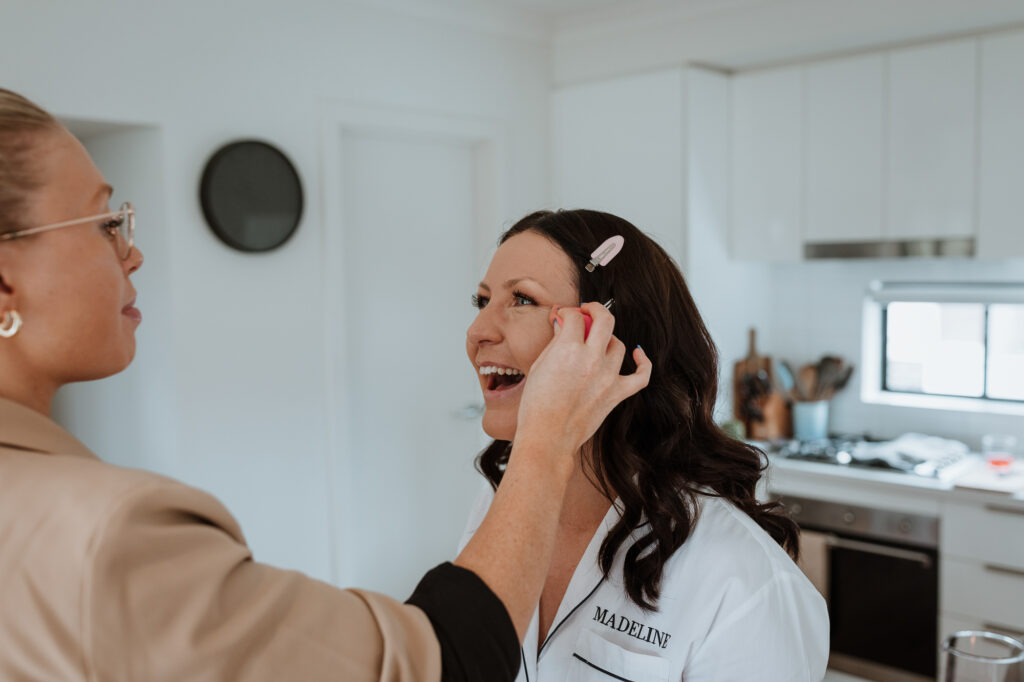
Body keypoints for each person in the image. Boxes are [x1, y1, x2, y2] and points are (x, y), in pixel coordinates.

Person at [0, 89, 652, 681]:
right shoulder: (108, 534)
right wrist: (544, 444)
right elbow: (445, 664)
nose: (132, 251)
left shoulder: (707, 550)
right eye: (104, 223)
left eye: (521, 299)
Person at [461, 209, 829, 681]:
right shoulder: (497, 502)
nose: (477, 332)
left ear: (611, 336)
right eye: (482, 301)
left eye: (522, 299)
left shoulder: (744, 582)